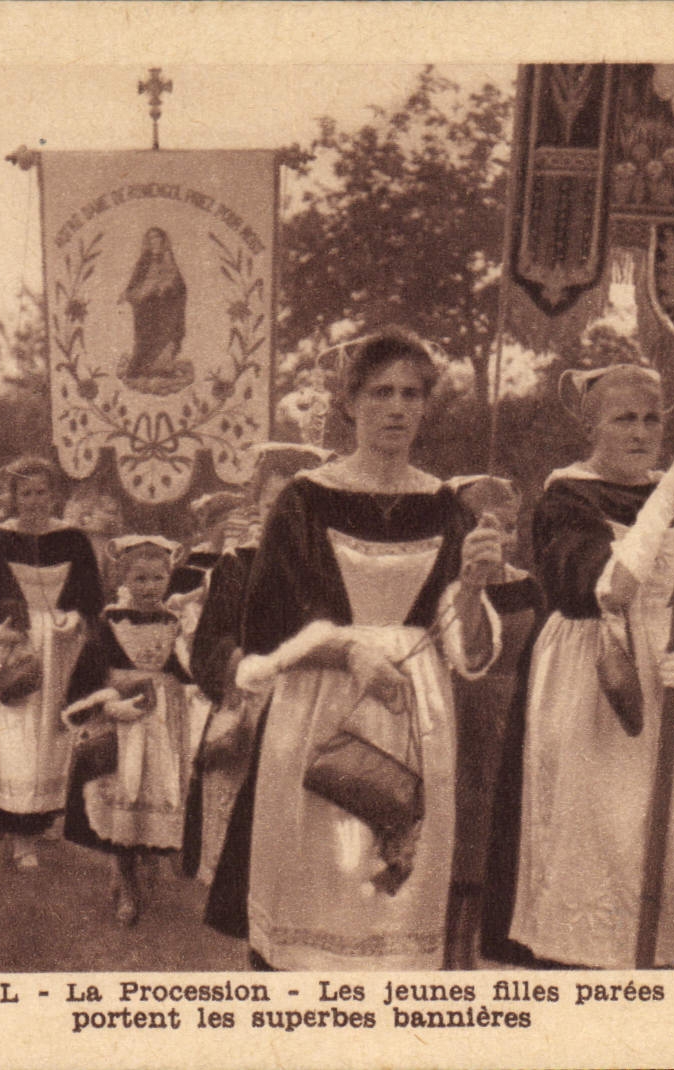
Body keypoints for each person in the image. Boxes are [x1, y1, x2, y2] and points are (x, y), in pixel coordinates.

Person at [205, 328, 505, 971]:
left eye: (411, 394)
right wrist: (347, 653)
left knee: (395, 892)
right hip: (320, 711)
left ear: (426, 406)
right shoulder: (305, 500)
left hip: (416, 716)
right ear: (350, 403)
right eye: (380, 393)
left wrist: (476, 588)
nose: (396, 408)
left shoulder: (447, 505)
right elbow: (267, 632)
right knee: (321, 892)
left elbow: (467, 651)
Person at [497, 367, 674, 970]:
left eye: (652, 418)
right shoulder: (566, 497)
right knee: (599, 831)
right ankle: (578, 965)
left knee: (663, 827)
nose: (641, 431)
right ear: (591, 425)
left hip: (667, 681)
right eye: (623, 418)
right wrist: (668, 498)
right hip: (589, 678)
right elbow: (607, 590)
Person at [183, 443, 333, 884]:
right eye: (272, 506)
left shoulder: (330, 567)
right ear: (258, 507)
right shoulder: (240, 563)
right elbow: (211, 640)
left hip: (315, 699)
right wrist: (242, 665)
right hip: (253, 700)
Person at [0, 457, 105, 867]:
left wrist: (78, 618)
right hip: (12, 647)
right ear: (13, 497)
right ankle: (20, 834)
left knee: (51, 736)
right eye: (25, 493)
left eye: (41, 492)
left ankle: (41, 814)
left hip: (60, 648)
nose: (34, 501)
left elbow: (90, 598)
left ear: (54, 495)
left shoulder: (74, 540)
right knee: (13, 736)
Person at [440, 474, 546, 969]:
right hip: (458, 707)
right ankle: (444, 945)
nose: (504, 538)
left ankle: (475, 943)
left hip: (512, 713)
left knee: (492, 827)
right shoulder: (449, 586)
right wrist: (469, 586)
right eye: (489, 526)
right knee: (454, 823)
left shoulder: (530, 586)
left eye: (511, 526)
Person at [62, 535, 195, 926]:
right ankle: (124, 878)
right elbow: (86, 678)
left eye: (158, 578)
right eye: (140, 579)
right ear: (124, 579)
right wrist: (109, 703)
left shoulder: (174, 623)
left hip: (163, 724)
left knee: (155, 793)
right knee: (123, 793)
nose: (150, 588)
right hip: (123, 721)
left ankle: (148, 857)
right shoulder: (110, 623)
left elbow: (183, 672)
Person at [119, 226, 187, 380]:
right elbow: (135, 282)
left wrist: (166, 288)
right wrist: (130, 293)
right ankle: (142, 368)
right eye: (151, 238)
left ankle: (163, 368)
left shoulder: (168, 257)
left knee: (166, 335)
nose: (154, 241)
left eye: (157, 237)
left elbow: (178, 284)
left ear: (163, 239)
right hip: (146, 306)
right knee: (145, 336)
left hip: (165, 306)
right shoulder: (144, 259)